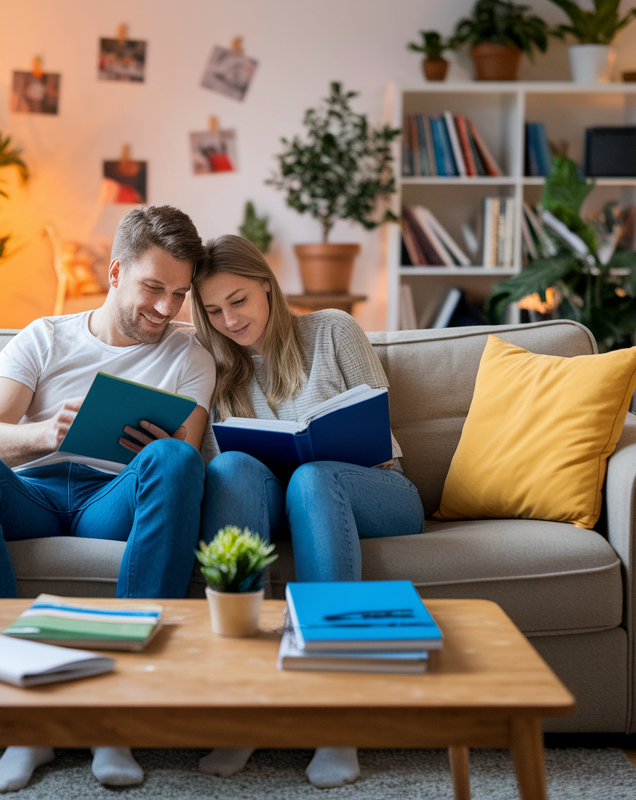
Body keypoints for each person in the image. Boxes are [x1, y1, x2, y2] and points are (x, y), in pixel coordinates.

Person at [0, 206, 216, 792]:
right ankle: (20, 724)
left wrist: (162, 448)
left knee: (175, 458)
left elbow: (186, 458)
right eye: (154, 288)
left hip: (112, 498)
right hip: (32, 491)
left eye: (180, 294)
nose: (167, 309)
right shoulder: (44, 337)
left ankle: (114, 720)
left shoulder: (191, 357)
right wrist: (42, 434)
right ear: (115, 272)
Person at [190, 234, 425, 789]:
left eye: (239, 301)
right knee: (230, 470)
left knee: (315, 478)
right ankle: (246, 707)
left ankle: (334, 718)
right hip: (280, 502)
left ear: (267, 286)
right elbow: (222, 469)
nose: (230, 320)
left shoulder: (332, 330)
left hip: (378, 492)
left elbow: (378, 437)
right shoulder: (215, 366)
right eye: (214, 310)